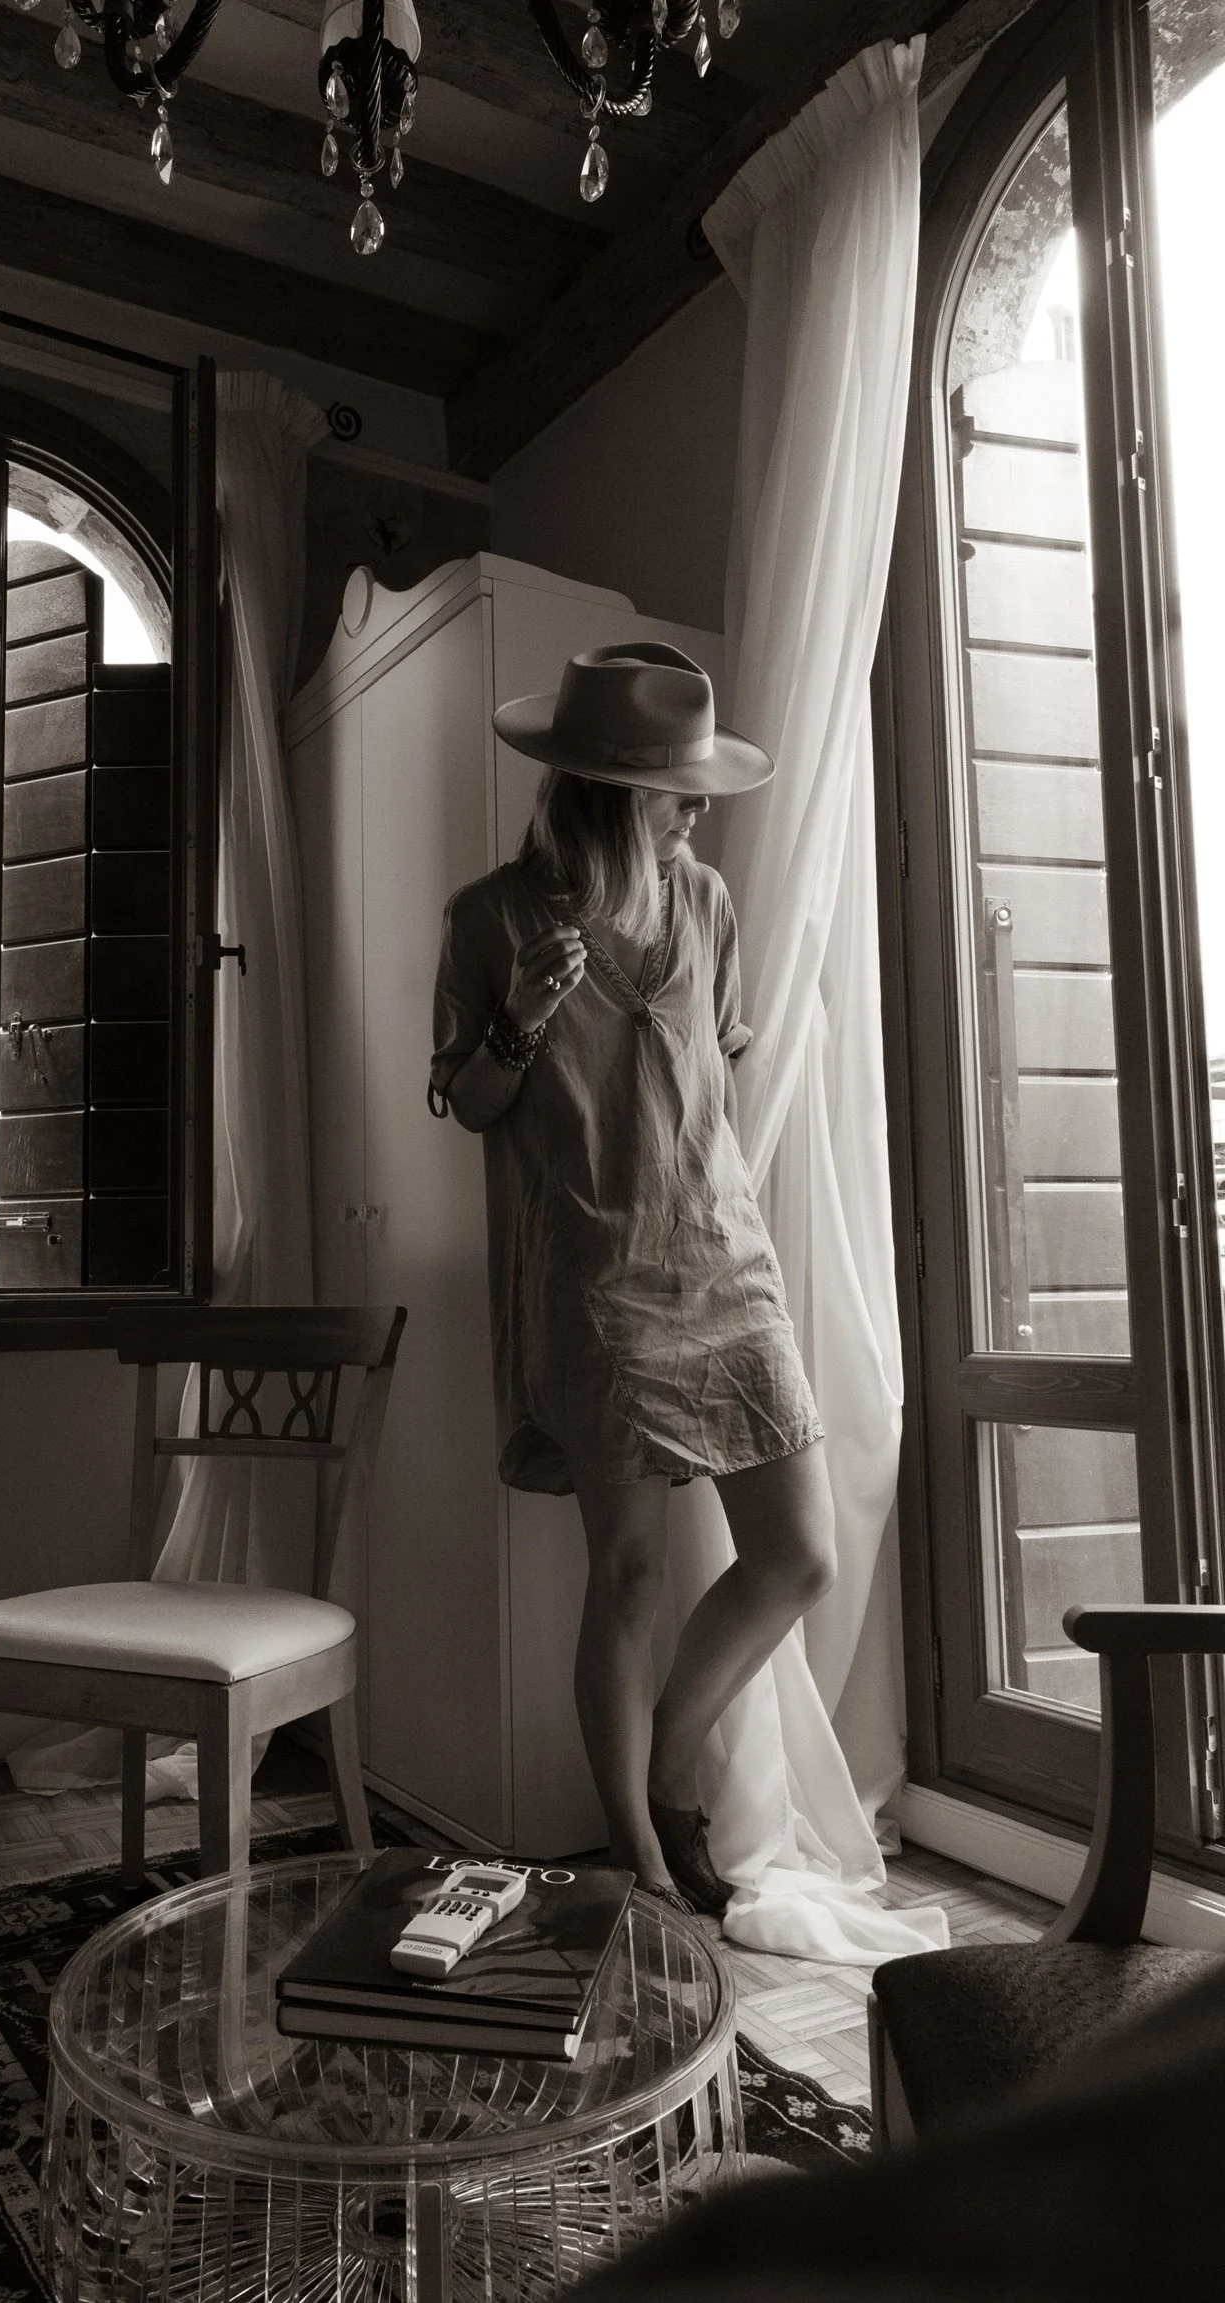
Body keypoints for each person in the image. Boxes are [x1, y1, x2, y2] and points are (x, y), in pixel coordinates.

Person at [429, 643, 836, 1916]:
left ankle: (669, 1761)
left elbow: (711, 1070)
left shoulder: (705, 900)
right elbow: (466, 1100)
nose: (700, 809)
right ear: (609, 789)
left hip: (725, 1260)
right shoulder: (490, 917)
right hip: (598, 1277)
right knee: (629, 1578)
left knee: (799, 1553)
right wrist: (520, 1023)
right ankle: (643, 1857)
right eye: (679, 789)